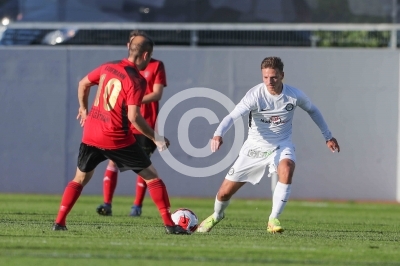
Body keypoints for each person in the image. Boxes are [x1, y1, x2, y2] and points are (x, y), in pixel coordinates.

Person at [52, 32, 188, 234]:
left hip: (91, 133)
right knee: (152, 177)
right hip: (116, 137)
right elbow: (134, 117)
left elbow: (83, 83)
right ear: (145, 56)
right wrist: (156, 138)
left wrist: (83, 108)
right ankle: (170, 225)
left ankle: (59, 222)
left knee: (79, 179)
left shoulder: (108, 67)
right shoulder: (137, 81)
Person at [196, 56, 340, 234]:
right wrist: (218, 134)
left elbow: (313, 110)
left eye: (273, 77)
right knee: (224, 193)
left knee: (287, 169)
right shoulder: (255, 95)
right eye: (265, 77)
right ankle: (217, 215)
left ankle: (273, 219)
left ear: (282, 75)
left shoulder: (294, 95)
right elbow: (232, 115)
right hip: (254, 148)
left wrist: (328, 136)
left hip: (282, 144)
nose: (269, 81)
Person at [96, 30, 167, 217]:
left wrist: (133, 101)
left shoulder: (156, 65)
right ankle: (107, 203)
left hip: (145, 123)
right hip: (123, 123)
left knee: (144, 166)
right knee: (112, 161)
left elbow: (157, 94)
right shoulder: (120, 68)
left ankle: (136, 206)